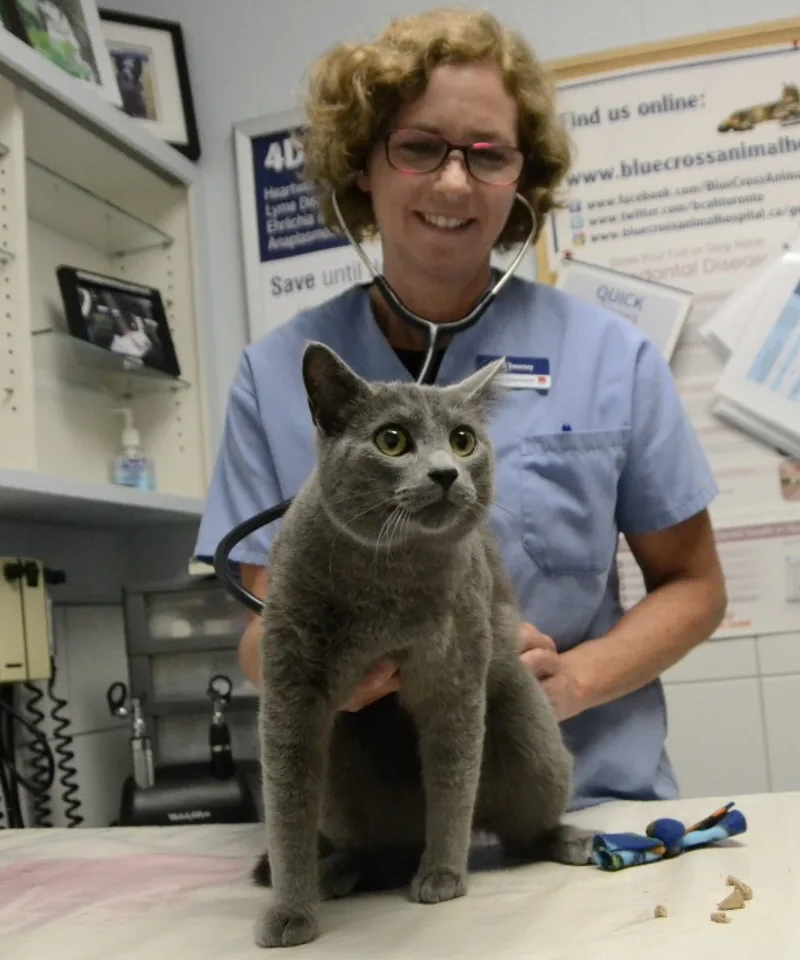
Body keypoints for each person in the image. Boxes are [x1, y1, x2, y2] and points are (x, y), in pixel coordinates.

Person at [192, 8, 727, 810]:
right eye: (417, 148)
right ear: (361, 169)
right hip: (375, 829)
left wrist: (573, 681)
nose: (453, 183)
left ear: (522, 180)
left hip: (578, 801)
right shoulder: (278, 376)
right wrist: (349, 669)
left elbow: (695, 585)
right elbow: (266, 631)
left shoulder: (614, 359)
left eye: (488, 155)